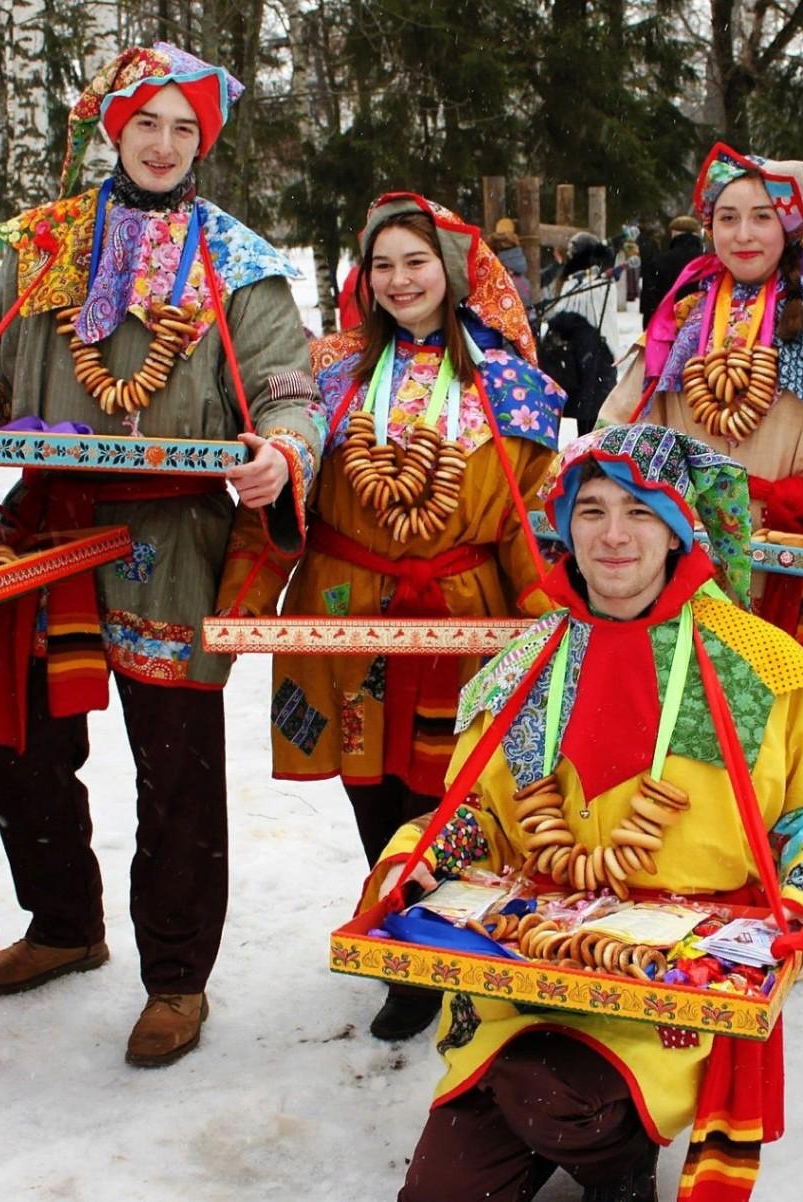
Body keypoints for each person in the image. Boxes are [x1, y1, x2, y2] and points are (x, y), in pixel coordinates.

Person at [0, 42, 321, 1067]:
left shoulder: (234, 259)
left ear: (204, 141)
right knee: (22, 745)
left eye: (183, 128)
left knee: (177, 764)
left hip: (174, 539)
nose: (162, 144)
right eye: (145, 122)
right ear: (112, 128)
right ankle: (64, 920)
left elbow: (287, 384)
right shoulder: (45, 242)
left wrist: (282, 452)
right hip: (49, 528)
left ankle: (176, 976)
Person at [381, 423, 803, 1202]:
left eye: (640, 512)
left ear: (676, 531)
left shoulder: (756, 662)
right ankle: (547, 1112)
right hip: (518, 972)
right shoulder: (523, 662)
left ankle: (616, 1166)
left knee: (550, 1095)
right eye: (592, 509)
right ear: (563, 524)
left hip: (676, 984)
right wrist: (412, 861)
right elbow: (471, 815)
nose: (613, 536)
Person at [216, 192, 563, 1040]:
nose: (400, 280)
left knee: (451, 791)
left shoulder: (512, 386)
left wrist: (553, 624)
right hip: (342, 608)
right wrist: (239, 610)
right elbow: (282, 491)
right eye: (383, 265)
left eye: (416, 262)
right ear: (362, 278)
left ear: (451, 273)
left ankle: (447, 937)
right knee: (367, 785)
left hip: (463, 620)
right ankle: (398, 941)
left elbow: (527, 518)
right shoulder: (323, 371)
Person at [599, 143, 803, 746]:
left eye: (762, 215)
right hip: (690, 553)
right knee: (685, 740)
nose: (743, 234)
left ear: (792, 223)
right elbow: (622, 432)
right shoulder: (679, 323)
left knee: (795, 748)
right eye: (727, 217)